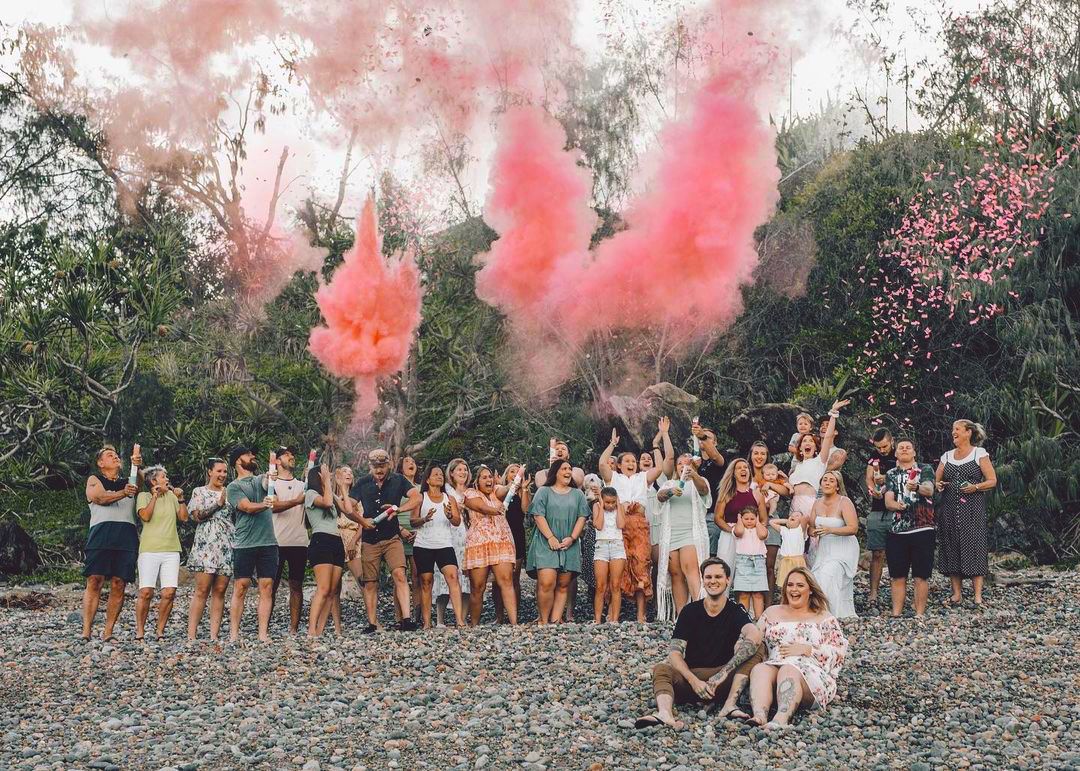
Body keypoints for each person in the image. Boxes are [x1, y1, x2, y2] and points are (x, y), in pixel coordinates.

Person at [635, 558, 763, 730]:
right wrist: (694, 681)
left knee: (757, 648)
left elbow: (754, 635)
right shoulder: (690, 611)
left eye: (718, 576)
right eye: (708, 577)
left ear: (728, 580)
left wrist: (724, 673)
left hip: (722, 679)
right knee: (662, 669)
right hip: (692, 678)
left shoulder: (735, 610)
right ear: (703, 580)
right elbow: (674, 653)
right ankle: (664, 714)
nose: (713, 581)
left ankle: (730, 705)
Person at [748, 568, 849, 728]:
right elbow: (754, 640)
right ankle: (759, 715)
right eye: (790, 585)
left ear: (810, 590)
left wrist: (808, 650)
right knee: (760, 669)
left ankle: (781, 719)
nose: (794, 590)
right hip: (775, 665)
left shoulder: (824, 617)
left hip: (810, 674)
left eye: (800, 585)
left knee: (789, 669)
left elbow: (839, 653)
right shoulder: (771, 612)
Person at [351, 448, 422, 633]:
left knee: (399, 574)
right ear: (369, 466)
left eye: (382, 466)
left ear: (389, 464)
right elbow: (348, 507)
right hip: (370, 539)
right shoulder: (362, 483)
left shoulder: (398, 479)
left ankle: (406, 619)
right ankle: (372, 623)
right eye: (375, 466)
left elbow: (417, 497)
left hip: (392, 536)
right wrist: (361, 521)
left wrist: (400, 509)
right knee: (371, 582)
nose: (379, 470)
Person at [227, 445, 288, 643]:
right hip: (245, 543)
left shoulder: (259, 479)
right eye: (247, 454)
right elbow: (246, 507)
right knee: (241, 586)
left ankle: (262, 634)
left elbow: (266, 481)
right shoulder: (233, 487)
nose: (252, 456)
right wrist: (265, 504)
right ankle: (234, 633)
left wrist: (272, 475)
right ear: (238, 461)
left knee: (267, 586)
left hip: (268, 542)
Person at [81, 444, 142, 641]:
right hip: (101, 534)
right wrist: (124, 493)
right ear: (100, 463)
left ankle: (108, 631)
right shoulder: (95, 480)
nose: (115, 457)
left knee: (118, 583)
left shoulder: (129, 481)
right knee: (94, 580)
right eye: (109, 455)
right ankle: (86, 630)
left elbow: (140, 483)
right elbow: (98, 497)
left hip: (126, 535)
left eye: (116, 455)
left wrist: (137, 465)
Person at [935, 419, 997, 609]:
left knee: (975, 545)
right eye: (952, 429)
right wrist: (939, 485)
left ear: (968, 432)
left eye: (957, 429)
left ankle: (978, 595)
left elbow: (992, 480)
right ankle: (956, 594)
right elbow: (938, 481)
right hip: (949, 509)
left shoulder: (979, 453)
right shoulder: (946, 456)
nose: (953, 432)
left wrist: (975, 486)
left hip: (973, 508)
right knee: (952, 544)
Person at [526, 459, 590, 624]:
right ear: (555, 472)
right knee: (547, 582)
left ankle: (555, 620)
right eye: (564, 469)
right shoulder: (544, 491)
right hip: (546, 541)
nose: (568, 471)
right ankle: (543, 620)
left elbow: (582, 517)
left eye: (570, 468)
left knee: (563, 584)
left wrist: (572, 538)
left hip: (569, 542)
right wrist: (551, 538)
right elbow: (538, 515)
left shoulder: (578, 494)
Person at [883, 438, 936, 618]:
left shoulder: (925, 469)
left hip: (922, 528)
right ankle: (896, 613)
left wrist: (918, 487)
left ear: (914, 452)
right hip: (897, 530)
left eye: (908, 447)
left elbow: (929, 490)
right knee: (897, 575)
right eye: (901, 447)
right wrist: (896, 506)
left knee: (921, 575)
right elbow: (888, 499)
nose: (904, 449)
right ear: (896, 453)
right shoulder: (890, 473)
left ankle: (919, 613)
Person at [655, 453, 712, 620]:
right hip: (671, 535)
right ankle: (682, 616)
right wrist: (671, 491)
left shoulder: (698, 481)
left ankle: (701, 613)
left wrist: (693, 475)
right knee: (676, 574)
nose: (682, 466)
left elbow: (705, 491)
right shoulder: (670, 483)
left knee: (691, 570)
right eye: (679, 463)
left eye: (686, 463)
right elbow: (660, 497)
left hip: (690, 534)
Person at [134, 465, 188, 640]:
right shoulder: (143, 496)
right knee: (146, 592)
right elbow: (145, 516)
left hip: (171, 550)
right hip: (149, 550)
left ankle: (160, 630)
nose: (167, 479)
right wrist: (155, 496)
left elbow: (184, 518)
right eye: (164, 477)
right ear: (154, 481)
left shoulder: (172, 496)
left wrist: (180, 499)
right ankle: (140, 631)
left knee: (169, 592)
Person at [788, 399, 849, 551]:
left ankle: (815, 571)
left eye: (811, 441)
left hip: (810, 503)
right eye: (804, 441)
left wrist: (833, 413)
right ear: (800, 448)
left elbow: (828, 438)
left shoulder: (819, 462)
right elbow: (788, 490)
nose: (807, 443)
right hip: (794, 505)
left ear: (816, 447)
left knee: (814, 541)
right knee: (795, 542)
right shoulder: (796, 468)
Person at [411, 464, 466, 628]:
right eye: (435, 474)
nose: (439, 477)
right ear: (427, 479)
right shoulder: (421, 497)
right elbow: (413, 521)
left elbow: (457, 522)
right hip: (423, 544)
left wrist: (450, 515)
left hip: (444, 543)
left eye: (441, 475)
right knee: (426, 581)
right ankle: (427, 622)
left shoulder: (449, 499)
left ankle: (459, 620)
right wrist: (424, 519)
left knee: (453, 577)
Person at [186, 457, 234, 642]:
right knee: (202, 589)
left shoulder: (230, 492)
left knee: (220, 589)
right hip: (206, 543)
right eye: (219, 471)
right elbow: (197, 516)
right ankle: (192, 634)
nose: (222, 475)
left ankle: (214, 634)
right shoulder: (200, 491)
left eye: (224, 471)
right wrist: (217, 504)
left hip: (226, 543)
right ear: (209, 472)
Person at [463, 465, 518, 625]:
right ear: (477, 481)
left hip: (501, 541)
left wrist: (512, 484)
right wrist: (496, 511)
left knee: (506, 581)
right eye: (484, 477)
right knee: (478, 587)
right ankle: (474, 623)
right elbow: (480, 507)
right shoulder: (470, 493)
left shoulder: (497, 491)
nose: (489, 480)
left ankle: (514, 623)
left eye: (490, 477)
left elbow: (505, 490)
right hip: (478, 543)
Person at [306, 463, 355, 636]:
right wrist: (327, 481)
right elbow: (326, 503)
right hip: (321, 540)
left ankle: (320, 629)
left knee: (333, 590)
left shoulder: (331, 493)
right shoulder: (310, 494)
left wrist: (341, 487)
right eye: (325, 474)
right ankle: (311, 629)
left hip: (336, 540)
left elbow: (348, 509)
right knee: (324, 588)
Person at [808, 471, 859, 619]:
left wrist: (831, 530)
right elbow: (811, 528)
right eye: (825, 480)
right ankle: (819, 612)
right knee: (816, 576)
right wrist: (814, 532)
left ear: (837, 486)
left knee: (829, 574)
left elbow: (853, 528)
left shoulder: (844, 502)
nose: (827, 483)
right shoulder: (817, 503)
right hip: (825, 549)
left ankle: (830, 614)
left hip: (843, 547)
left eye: (832, 480)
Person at [269, 446, 309, 635]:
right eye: (286, 455)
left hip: (299, 542)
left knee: (296, 585)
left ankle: (293, 629)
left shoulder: (303, 485)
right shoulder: (271, 483)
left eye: (292, 454)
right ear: (277, 461)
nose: (291, 456)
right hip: (276, 541)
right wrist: (296, 501)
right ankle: (265, 626)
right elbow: (273, 506)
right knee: (271, 586)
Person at [713, 458, 768, 588]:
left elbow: (764, 519)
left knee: (749, 576)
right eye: (739, 468)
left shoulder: (756, 494)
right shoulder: (726, 494)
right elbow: (718, 517)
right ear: (733, 473)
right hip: (730, 535)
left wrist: (757, 532)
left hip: (751, 536)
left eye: (746, 467)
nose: (743, 470)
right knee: (724, 572)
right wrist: (731, 530)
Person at [749, 441, 791, 601]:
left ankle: (769, 603)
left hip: (772, 521)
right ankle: (754, 602)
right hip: (752, 521)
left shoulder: (773, 475)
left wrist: (770, 484)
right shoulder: (747, 474)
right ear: (751, 455)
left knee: (769, 566)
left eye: (763, 453)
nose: (759, 457)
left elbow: (787, 491)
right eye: (756, 453)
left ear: (767, 456)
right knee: (752, 564)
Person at [330, 465, 368, 635]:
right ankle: (337, 627)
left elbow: (363, 521)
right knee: (333, 587)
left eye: (351, 472)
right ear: (337, 476)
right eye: (345, 471)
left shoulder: (356, 497)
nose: (349, 474)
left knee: (363, 581)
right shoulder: (331, 496)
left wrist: (353, 541)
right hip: (336, 539)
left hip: (354, 538)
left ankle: (373, 620)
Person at [435, 458, 472, 626]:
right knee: (446, 576)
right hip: (450, 534)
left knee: (466, 578)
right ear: (451, 473)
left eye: (465, 469)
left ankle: (461, 618)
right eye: (459, 470)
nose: (463, 472)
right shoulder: (447, 491)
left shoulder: (472, 491)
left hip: (468, 535)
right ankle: (440, 619)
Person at [864, 428, 897, 610]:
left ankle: (896, 593)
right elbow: (869, 478)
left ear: (891, 441)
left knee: (896, 553)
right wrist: (872, 490)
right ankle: (873, 593)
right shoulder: (873, 456)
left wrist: (888, 478)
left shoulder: (900, 452)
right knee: (877, 553)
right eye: (878, 447)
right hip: (878, 508)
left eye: (884, 446)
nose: (882, 450)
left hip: (897, 508)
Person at [495, 463, 530, 624]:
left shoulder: (522, 491)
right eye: (511, 471)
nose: (515, 474)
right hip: (500, 535)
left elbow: (525, 510)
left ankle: (514, 614)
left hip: (517, 534)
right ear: (506, 474)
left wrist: (523, 489)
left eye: (518, 472)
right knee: (498, 578)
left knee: (514, 577)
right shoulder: (500, 490)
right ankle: (499, 615)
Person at [691, 423, 727, 557]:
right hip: (695, 515)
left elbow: (716, 458)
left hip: (713, 514)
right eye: (700, 438)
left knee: (712, 554)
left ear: (715, 442)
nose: (704, 439)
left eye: (708, 437)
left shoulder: (720, 459)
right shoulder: (692, 460)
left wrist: (702, 435)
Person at [592, 486, 627, 624]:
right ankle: (597, 619)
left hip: (617, 546)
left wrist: (618, 506)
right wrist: (601, 506)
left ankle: (614, 619)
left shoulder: (619, 507)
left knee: (615, 585)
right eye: (607, 502)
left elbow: (621, 524)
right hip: (601, 546)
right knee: (600, 586)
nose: (611, 505)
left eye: (613, 502)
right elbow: (598, 525)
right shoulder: (596, 506)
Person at [394, 455, 420, 625]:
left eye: (413, 462)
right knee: (399, 575)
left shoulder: (420, 488)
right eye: (407, 462)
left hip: (417, 533)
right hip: (398, 532)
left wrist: (418, 531)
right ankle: (400, 616)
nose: (411, 464)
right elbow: (388, 510)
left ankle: (418, 615)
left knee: (418, 575)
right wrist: (400, 529)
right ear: (400, 468)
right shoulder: (395, 486)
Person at [732, 506, 769, 619]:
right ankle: (744, 620)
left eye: (752, 518)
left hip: (758, 562)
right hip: (743, 562)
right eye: (746, 518)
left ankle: (759, 620)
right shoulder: (737, 528)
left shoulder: (760, 529)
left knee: (758, 593)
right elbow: (738, 532)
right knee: (744, 594)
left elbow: (763, 535)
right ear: (741, 518)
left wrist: (758, 522)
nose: (749, 521)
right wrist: (738, 519)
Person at [620, 501, 653, 623]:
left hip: (640, 525)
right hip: (620, 522)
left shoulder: (641, 481)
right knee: (619, 569)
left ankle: (641, 614)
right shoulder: (615, 480)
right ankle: (613, 614)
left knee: (641, 567)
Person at [769, 509, 808, 593]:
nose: (793, 516)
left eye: (797, 516)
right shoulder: (784, 530)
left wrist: (796, 519)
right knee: (786, 585)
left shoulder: (801, 530)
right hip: (785, 562)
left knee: (798, 583)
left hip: (797, 562)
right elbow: (772, 522)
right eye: (791, 515)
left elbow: (806, 518)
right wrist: (787, 521)